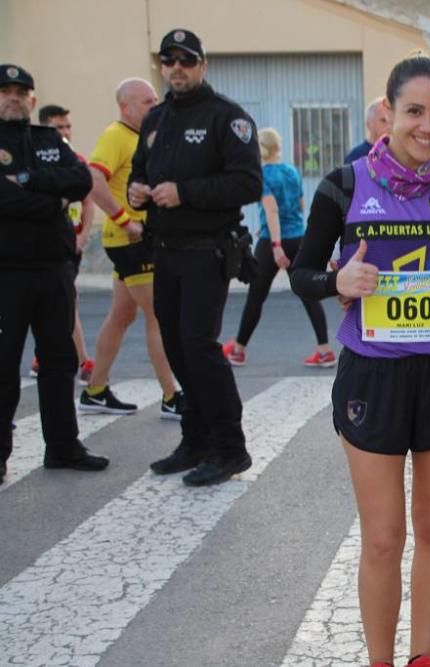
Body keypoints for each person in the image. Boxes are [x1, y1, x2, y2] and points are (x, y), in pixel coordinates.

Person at [290, 54, 430, 667]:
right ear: (387, 112)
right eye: (415, 111)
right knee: (384, 538)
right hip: (373, 374)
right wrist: (340, 280)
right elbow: (303, 275)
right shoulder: (343, 185)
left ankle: (423, 657)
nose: (429, 126)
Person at [128, 29, 262, 486]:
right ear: (162, 68)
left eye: (187, 60)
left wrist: (184, 193)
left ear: (203, 65)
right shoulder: (156, 119)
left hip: (208, 250)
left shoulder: (227, 117)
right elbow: (140, 173)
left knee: (201, 348)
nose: (177, 69)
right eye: (169, 61)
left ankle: (230, 448)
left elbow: (247, 184)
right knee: (177, 348)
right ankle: (196, 438)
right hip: (164, 251)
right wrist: (137, 191)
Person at [0, 64, 108, 485]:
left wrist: (24, 181)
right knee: (4, 366)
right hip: (6, 273)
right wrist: (50, 200)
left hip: (53, 270)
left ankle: (63, 447)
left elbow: (80, 178)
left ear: (31, 99)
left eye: (20, 91)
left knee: (60, 360)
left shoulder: (48, 140)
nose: (12, 96)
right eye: (5, 90)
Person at [81, 78, 184, 420]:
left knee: (122, 314)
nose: (155, 106)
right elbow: (92, 181)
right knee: (160, 314)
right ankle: (172, 395)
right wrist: (125, 221)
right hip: (131, 241)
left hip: (137, 239)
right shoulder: (116, 135)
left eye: (156, 100)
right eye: (147, 102)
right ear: (125, 106)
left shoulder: (142, 137)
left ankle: (95, 390)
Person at [222, 127, 334, 368]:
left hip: (276, 241)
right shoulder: (292, 171)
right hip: (298, 237)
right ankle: (325, 350)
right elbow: (301, 205)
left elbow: (271, 210)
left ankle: (238, 350)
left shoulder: (262, 175)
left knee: (256, 296)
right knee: (308, 293)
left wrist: (275, 244)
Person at [36, 104, 95, 385]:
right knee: (66, 301)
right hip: (49, 246)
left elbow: (88, 200)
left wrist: (82, 239)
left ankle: (52, 356)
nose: (65, 132)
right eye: (58, 128)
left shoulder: (75, 160)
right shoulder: (36, 159)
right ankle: (83, 360)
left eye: (68, 126)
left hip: (72, 244)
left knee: (67, 300)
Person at [344, 96, 391, 164]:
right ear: (369, 124)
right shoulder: (356, 157)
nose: (389, 126)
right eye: (383, 121)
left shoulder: (398, 156)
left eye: (391, 121)